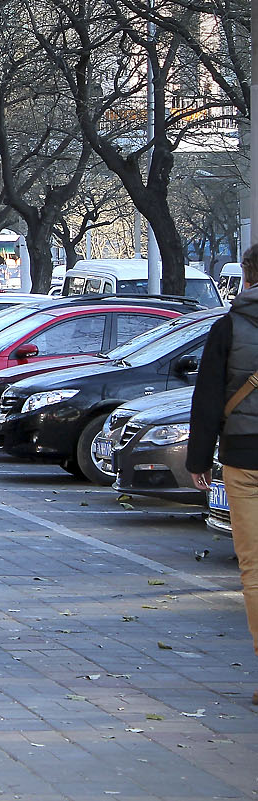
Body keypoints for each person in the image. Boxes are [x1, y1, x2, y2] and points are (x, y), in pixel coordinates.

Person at [188, 243, 258, 704]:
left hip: (243, 456)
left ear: (246, 277)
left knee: (253, 565)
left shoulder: (228, 326)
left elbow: (209, 397)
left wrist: (198, 461)